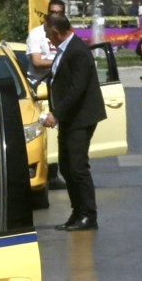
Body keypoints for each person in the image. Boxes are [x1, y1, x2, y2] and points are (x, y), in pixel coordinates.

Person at [42, 14, 106, 231]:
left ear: (57, 32)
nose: (47, 38)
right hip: (70, 119)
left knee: (78, 168)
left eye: (48, 34)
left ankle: (89, 215)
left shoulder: (78, 51)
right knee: (66, 167)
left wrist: (56, 113)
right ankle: (77, 212)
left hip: (80, 118)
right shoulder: (64, 50)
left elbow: (76, 89)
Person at [26, 0, 66, 75]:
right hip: (40, 83)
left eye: (59, 13)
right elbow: (36, 62)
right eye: (52, 12)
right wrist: (62, 63)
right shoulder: (36, 33)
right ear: (48, 13)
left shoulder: (67, 34)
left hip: (60, 82)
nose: (55, 15)